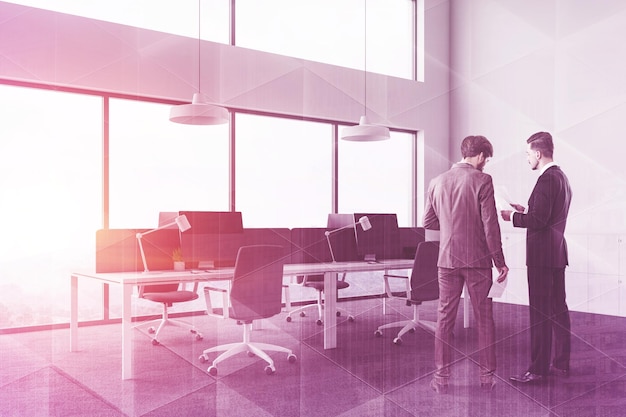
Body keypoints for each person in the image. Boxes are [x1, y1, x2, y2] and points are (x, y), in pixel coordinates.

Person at [423, 135, 509, 393]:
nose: (486, 164)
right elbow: (490, 226)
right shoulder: (483, 180)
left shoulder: (436, 181)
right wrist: (500, 262)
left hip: (447, 260)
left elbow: (428, 222)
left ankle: (441, 378)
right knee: (484, 319)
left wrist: (451, 227)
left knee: (444, 318)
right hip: (477, 260)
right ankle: (486, 377)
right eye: (487, 158)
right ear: (480, 155)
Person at [501, 131, 572, 383]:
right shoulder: (561, 177)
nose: (527, 158)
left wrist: (513, 217)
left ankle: (537, 370)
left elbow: (539, 221)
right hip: (557, 254)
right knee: (558, 308)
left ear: (538, 153)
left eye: (528, 153)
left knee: (540, 313)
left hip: (541, 257)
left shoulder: (545, 180)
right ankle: (562, 363)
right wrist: (527, 210)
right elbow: (547, 215)